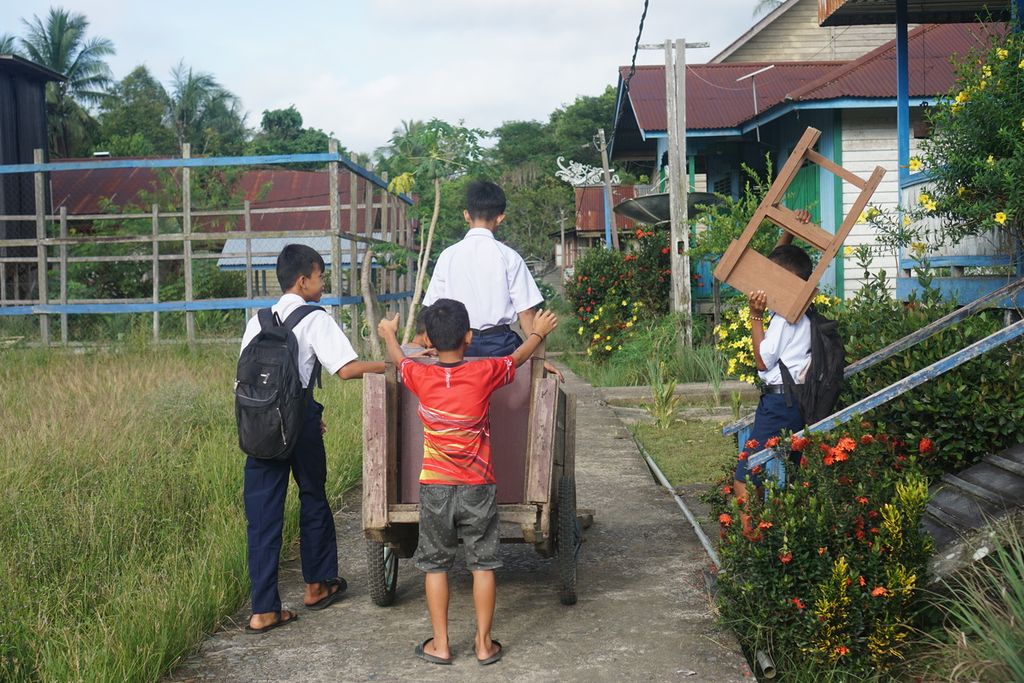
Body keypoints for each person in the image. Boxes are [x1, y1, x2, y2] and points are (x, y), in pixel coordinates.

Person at [377, 298, 558, 666]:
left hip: (436, 487)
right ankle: (483, 645)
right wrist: (538, 332)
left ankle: (441, 645)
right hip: (478, 485)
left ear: (429, 339)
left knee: (436, 565)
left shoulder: (420, 375)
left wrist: (389, 335)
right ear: (470, 337)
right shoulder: (485, 371)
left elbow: (399, 359)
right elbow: (518, 358)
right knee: (482, 565)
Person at [240, 244, 384, 634]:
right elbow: (347, 369)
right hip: (298, 425)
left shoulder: (257, 320)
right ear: (303, 281)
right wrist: (393, 364)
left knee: (262, 519)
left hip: (259, 426)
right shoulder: (314, 318)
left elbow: (251, 382)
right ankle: (318, 585)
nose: (323, 283)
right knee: (313, 497)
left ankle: (264, 609)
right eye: (320, 276)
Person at [422, 180, 562, 380]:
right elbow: (526, 313)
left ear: (466, 215)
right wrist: (539, 358)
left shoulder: (448, 256)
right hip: (500, 346)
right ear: (500, 218)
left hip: (457, 347)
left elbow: (432, 308)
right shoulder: (509, 257)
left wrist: (434, 344)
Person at [732, 223, 814, 506]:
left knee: (745, 475)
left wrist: (755, 316)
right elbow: (776, 266)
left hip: (781, 404)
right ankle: (772, 531)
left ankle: (749, 538)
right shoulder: (805, 312)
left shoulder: (783, 320)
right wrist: (790, 229)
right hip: (797, 402)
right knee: (783, 473)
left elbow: (762, 362)